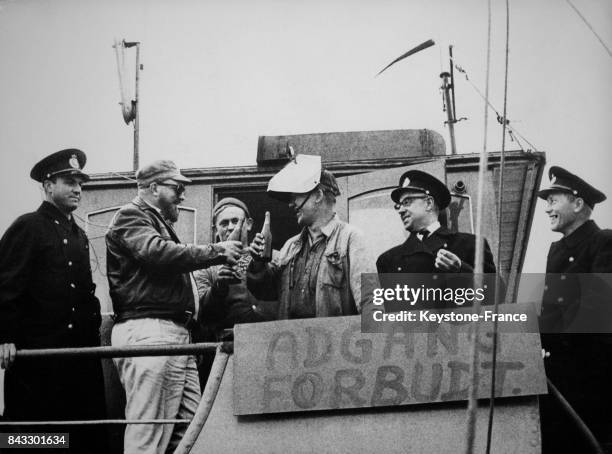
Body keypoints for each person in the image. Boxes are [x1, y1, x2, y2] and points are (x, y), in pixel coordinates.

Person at [106, 160, 243, 454]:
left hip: (172, 337)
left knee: (189, 431)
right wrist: (218, 251)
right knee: (149, 433)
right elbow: (158, 253)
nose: (182, 195)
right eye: (177, 188)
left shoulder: (153, 221)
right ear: (153, 188)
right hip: (151, 333)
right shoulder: (131, 216)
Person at [0, 148, 107, 452]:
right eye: (69, 181)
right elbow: (6, 284)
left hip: (77, 358)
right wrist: (5, 336)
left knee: (80, 437)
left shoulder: (79, 235)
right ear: (48, 186)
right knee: (33, 439)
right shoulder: (28, 226)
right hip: (39, 359)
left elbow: (85, 294)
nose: (77, 189)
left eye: (80, 183)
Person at [536, 166, 612, 452]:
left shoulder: (604, 242)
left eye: (553, 200)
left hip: (594, 375)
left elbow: (597, 311)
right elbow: (550, 314)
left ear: (578, 204)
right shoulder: (556, 251)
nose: (548, 209)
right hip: (560, 373)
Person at [248, 154, 374, 319]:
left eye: (296, 196)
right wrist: (259, 263)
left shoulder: (351, 239)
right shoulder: (290, 246)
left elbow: (370, 302)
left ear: (319, 196)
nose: (291, 204)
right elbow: (266, 293)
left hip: (334, 343)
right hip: (293, 342)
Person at [376, 170, 496, 309]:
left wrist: (461, 270)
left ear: (428, 203)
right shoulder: (388, 260)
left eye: (407, 202)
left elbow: (495, 299)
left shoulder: (471, 245)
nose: (401, 210)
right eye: (399, 205)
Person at [195, 197, 277, 338]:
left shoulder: (273, 257)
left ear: (249, 224)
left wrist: (259, 264)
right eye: (224, 223)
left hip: (268, 342)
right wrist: (218, 287)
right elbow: (200, 313)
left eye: (236, 221)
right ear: (215, 229)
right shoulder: (206, 266)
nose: (232, 227)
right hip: (225, 345)